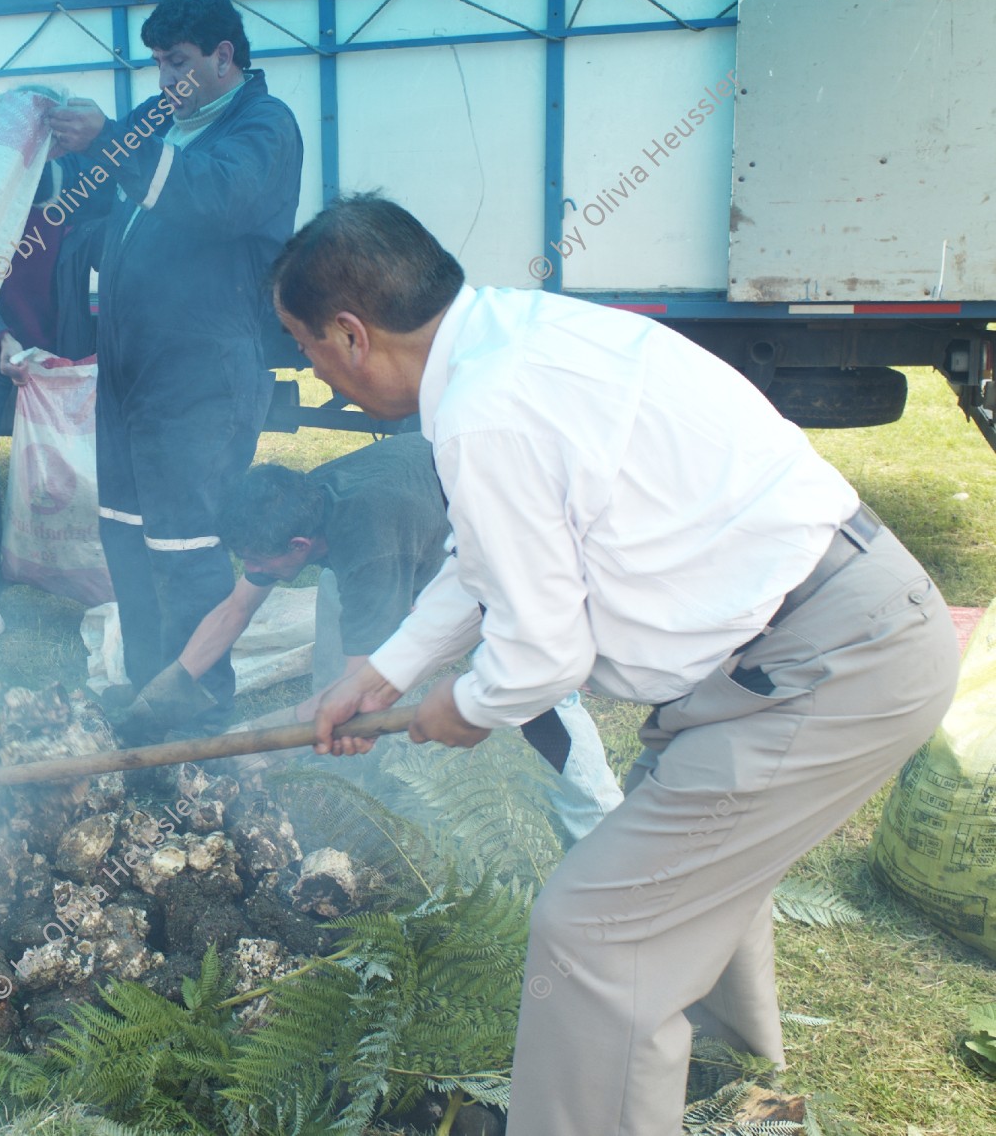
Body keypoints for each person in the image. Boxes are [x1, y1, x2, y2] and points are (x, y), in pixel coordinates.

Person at [277, 194, 959, 1136]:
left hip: (828, 663)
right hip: (822, 634)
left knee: (597, 930)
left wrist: (464, 708)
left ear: (351, 334)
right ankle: (724, 1081)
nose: (311, 368)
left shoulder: (485, 410)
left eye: (304, 345)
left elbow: (542, 653)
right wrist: (385, 673)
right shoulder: (506, 338)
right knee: (672, 849)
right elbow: (493, 567)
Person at [127, 439, 625, 839]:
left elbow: (360, 687)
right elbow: (235, 609)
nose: (251, 572)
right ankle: (335, 765)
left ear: (298, 546)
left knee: (542, 696)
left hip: (497, 558)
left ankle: (603, 823)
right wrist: (156, 704)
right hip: (414, 530)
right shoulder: (302, 502)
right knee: (337, 635)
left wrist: (249, 741)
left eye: (257, 563)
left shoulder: (369, 553)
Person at [45, 0, 303, 713]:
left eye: (179, 62)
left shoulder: (264, 126)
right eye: (158, 64)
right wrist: (59, 154)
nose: (165, 81)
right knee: (126, 534)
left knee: (185, 544)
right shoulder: (165, 118)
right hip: (132, 370)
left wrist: (110, 142)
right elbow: (104, 200)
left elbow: (212, 199)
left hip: (203, 376)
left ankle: (198, 704)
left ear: (225, 56)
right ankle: (146, 690)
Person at [0, 162, 76, 637]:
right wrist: (1, 339)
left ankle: (70, 568)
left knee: (73, 457)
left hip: (58, 343)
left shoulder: (80, 181)